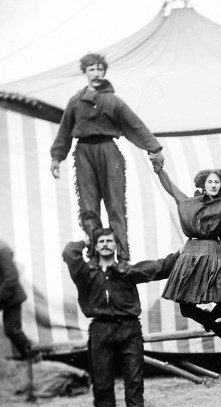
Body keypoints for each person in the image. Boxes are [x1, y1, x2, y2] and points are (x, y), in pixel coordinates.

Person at [62, 227, 179, 407]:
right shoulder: (85, 273)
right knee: (102, 381)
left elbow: (159, 268)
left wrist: (182, 254)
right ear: (95, 247)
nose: (105, 244)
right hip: (101, 330)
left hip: (129, 330)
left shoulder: (127, 271)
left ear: (116, 245)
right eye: (101, 242)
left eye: (109, 241)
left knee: (134, 382)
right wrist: (85, 241)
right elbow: (69, 253)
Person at [51, 52, 165, 271]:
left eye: (99, 69)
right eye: (91, 69)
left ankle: (122, 256)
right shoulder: (75, 101)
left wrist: (155, 149)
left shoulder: (114, 101)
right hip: (83, 153)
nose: (95, 73)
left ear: (104, 72)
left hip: (108, 151)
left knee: (115, 205)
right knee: (88, 206)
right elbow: (65, 131)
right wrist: (57, 157)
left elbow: (136, 125)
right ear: (85, 73)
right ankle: (94, 254)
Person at [152, 155, 221, 345]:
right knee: (185, 307)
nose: (213, 185)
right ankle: (213, 324)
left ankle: (213, 322)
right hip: (190, 252)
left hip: (213, 250)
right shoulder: (189, 203)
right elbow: (171, 188)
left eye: (217, 182)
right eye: (209, 182)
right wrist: (158, 170)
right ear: (203, 185)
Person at [0, 215, 33, 373]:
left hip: (10, 295)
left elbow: (12, 277)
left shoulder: (0, 248)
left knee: (12, 329)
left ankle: (34, 359)